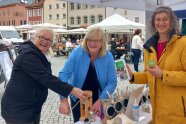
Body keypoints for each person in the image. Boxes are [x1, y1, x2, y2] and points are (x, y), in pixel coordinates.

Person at [1, 27, 89, 124]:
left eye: (48, 40)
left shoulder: (42, 54)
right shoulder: (28, 55)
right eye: (42, 38)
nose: (45, 41)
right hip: (18, 110)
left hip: (31, 107)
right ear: (35, 37)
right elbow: (47, 78)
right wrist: (72, 90)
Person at [127, 6, 186, 124]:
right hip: (157, 111)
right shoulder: (149, 47)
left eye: (165, 19)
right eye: (158, 19)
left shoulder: (183, 43)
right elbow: (150, 75)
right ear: (153, 23)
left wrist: (163, 74)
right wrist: (133, 76)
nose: (161, 23)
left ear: (171, 22)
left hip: (177, 112)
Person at [58, 26, 117, 123]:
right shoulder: (77, 52)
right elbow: (64, 74)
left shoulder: (108, 56)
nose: (92, 43)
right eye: (89, 39)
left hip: (100, 97)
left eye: (96, 40)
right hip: (78, 98)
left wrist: (101, 100)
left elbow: (112, 82)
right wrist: (63, 100)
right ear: (86, 40)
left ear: (102, 42)